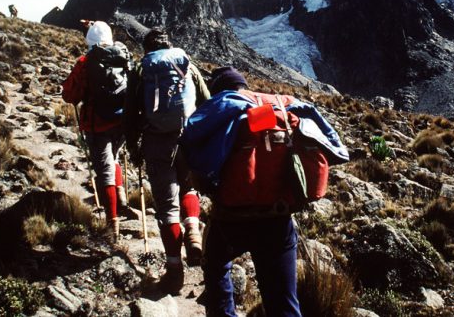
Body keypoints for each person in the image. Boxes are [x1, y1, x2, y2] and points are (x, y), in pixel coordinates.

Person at [180, 66, 349, 317]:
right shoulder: (283, 104)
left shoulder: (223, 103)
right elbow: (332, 143)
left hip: (231, 217)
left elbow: (189, 139)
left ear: (218, 89)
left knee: (216, 268)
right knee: (283, 299)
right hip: (278, 217)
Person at [124, 28, 211, 294]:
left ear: (147, 47)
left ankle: (174, 273)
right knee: (189, 189)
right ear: (169, 44)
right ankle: (194, 232)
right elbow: (207, 102)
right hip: (188, 139)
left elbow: (130, 114)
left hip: (157, 143)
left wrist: (134, 147)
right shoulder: (187, 65)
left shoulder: (142, 70)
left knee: (166, 208)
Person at [61, 21, 138, 232]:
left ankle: (112, 224)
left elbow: (70, 94)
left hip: (97, 124)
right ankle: (121, 199)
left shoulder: (85, 62)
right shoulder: (123, 55)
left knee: (104, 171)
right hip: (122, 122)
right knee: (113, 158)